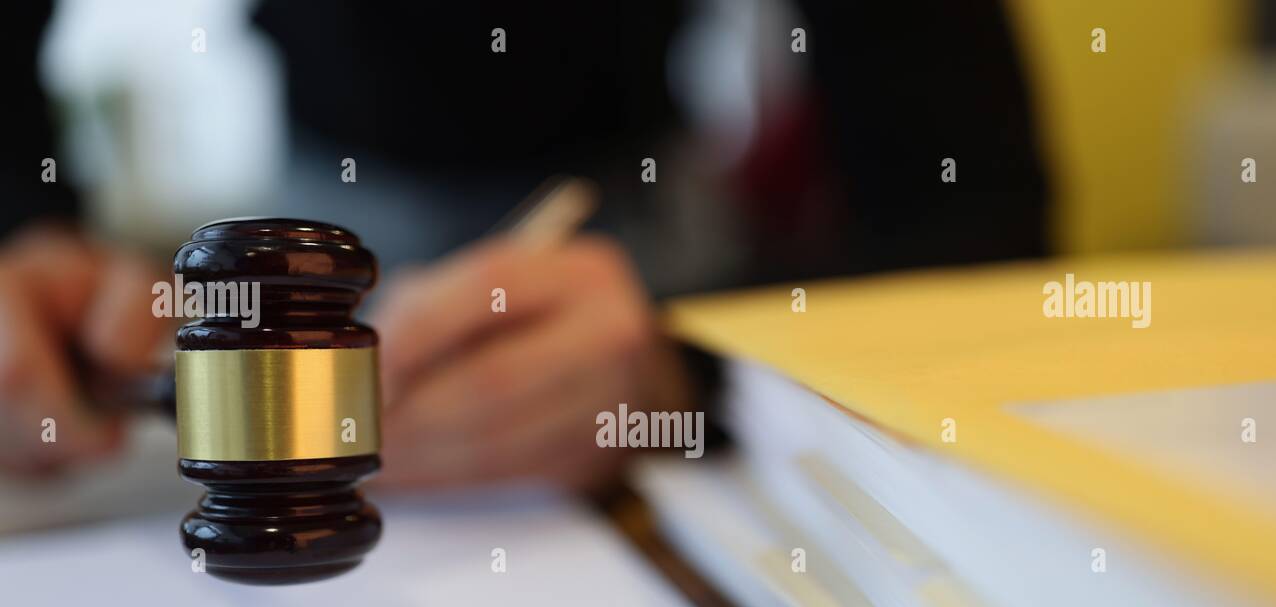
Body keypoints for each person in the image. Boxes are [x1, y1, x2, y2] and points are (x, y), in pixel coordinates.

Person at [0, 1, 1047, 487]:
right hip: (320, 203)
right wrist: (21, 236)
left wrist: (684, 370)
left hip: (656, 248)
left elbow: (980, 213)